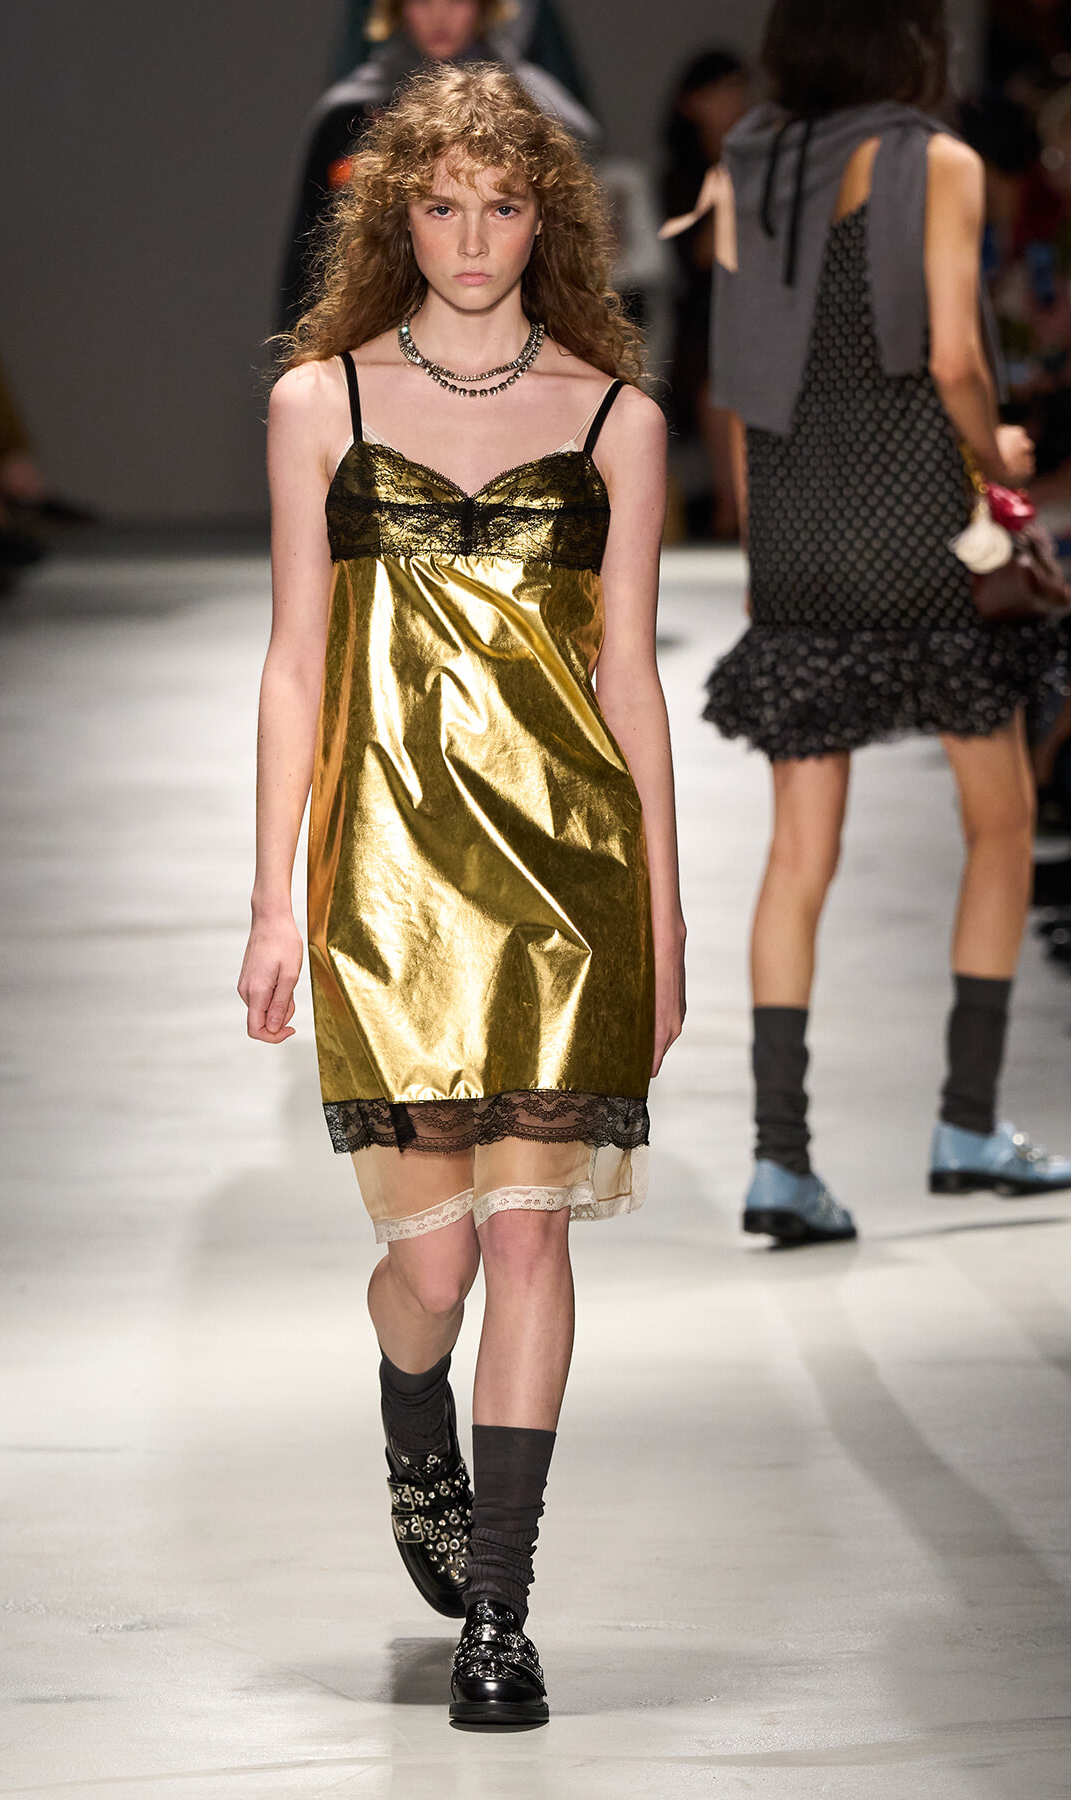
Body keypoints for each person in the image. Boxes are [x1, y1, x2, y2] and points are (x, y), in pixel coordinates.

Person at [241, 63, 684, 1726]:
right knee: (434, 1276)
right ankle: (407, 1398)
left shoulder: (615, 418)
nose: (475, 236)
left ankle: (501, 1612)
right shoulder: (320, 404)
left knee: (530, 1234)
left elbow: (630, 680)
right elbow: (296, 664)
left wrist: (668, 917)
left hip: (572, 876)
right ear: (396, 220)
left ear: (546, 219)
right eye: (442, 206)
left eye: (504, 205)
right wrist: (272, 901)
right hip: (388, 878)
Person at [697, 0, 1071, 1245]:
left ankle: (779, 1162)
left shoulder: (747, 165)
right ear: (911, 40)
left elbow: (738, 386)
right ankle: (968, 1123)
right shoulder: (934, 159)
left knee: (798, 855)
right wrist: (1001, 459)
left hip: (800, 532)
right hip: (919, 527)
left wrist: (762, 552)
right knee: (1001, 816)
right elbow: (956, 358)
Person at [277, 0, 599, 330]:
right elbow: (310, 253)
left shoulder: (543, 114)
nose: (439, 17)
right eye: (422, 1)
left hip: (527, 329)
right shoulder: (347, 116)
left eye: (456, 0)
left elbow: (576, 251)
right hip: (372, 326)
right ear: (396, 7)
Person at [658, 49, 752, 539]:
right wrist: (732, 170)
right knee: (720, 388)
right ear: (690, 104)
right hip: (707, 324)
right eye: (719, 92)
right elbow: (707, 253)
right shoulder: (681, 178)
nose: (733, 102)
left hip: (762, 314)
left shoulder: (768, 165)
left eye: (738, 89)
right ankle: (732, 511)